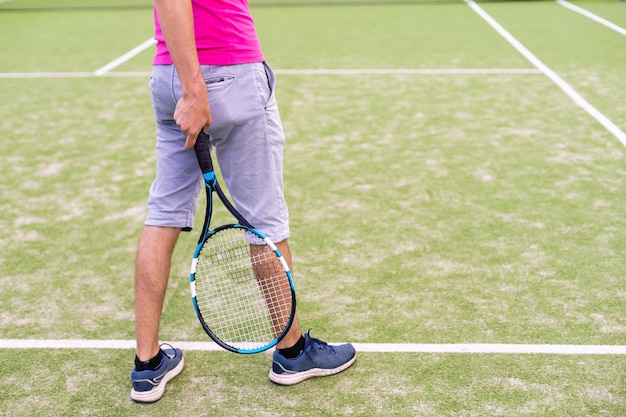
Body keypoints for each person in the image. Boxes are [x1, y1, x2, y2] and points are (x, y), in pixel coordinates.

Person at [130, 0, 356, 403]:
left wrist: (186, 84)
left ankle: (147, 364)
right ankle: (292, 353)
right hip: (224, 75)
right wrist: (194, 87)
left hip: (168, 77)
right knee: (264, 222)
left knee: (162, 215)